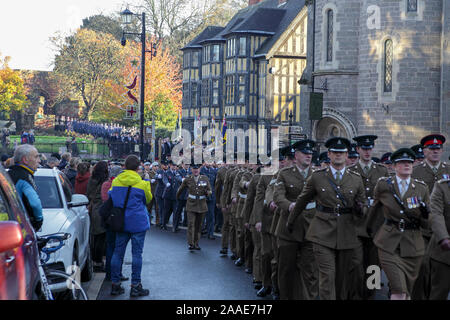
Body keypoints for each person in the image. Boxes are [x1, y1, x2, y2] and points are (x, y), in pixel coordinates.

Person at [287, 137, 367, 300]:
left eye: (342, 152)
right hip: (322, 233)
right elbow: (302, 201)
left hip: (346, 234)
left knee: (342, 279)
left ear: (346, 155)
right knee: (327, 276)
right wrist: (290, 221)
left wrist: (361, 209)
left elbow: (363, 206)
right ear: (329, 154)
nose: (338, 155)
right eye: (335, 152)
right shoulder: (317, 177)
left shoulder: (356, 179)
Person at [367, 148, 430, 300]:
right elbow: (374, 212)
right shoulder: (384, 185)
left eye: (409, 162)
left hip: (413, 246)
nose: (406, 165)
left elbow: (427, 224)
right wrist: (372, 234)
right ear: (394, 166)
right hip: (388, 244)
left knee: (406, 292)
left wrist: (425, 214)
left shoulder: (421, 188)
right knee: (399, 290)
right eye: (402, 163)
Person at [274, 140, 319, 300]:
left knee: (311, 271)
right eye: (305, 153)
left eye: (310, 153)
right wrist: (289, 205)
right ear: (296, 155)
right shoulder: (284, 174)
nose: (309, 155)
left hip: (311, 228)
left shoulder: (318, 175)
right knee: (286, 270)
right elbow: (278, 196)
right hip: (289, 228)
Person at [347, 135, 389, 300]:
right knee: (356, 264)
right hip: (356, 224)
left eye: (369, 148)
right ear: (358, 150)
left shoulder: (382, 170)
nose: (367, 152)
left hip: (376, 224)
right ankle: (357, 294)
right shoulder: (350, 171)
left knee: (374, 265)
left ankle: (371, 295)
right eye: (364, 149)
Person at [411, 134, 450, 300]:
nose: (435, 152)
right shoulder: (416, 170)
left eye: (438, 149)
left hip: (443, 230)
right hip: (423, 229)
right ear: (424, 151)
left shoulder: (448, 170)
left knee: (436, 273)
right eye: (432, 149)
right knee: (421, 270)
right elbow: (409, 196)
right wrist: (417, 208)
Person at [109, 155, 152, 297]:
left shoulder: (115, 182)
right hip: (137, 222)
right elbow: (148, 199)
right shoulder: (142, 183)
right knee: (137, 254)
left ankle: (115, 284)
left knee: (118, 252)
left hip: (120, 222)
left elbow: (111, 198)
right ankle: (135, 285)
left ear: (125, 166)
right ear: (138, 167)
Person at [176, 162, 212, 250]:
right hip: (191, 204)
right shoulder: (188, 179)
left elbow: (210, 190)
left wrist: (208, 193)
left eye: (197, 169)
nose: (196, 170)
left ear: (199, 170)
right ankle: (191, 243)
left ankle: (196, 243)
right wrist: (177, 198)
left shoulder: (205, 178)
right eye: (194, 169)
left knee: (199, 225)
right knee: (191, 224)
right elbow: (180, 189)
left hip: (201, 205)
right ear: (191, 170)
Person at [8, 144, 43, 231]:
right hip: (20, 227)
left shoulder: (9, 173)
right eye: (36, 157)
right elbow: (35, 203)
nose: (39, 161)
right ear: (25, 160)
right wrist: (38, 221)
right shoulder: (24, 177)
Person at [428, 175, 450, 299]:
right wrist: (443, 237)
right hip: (445, 253)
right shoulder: (442, 187)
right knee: (439, 292)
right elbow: (436, 213)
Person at [87, 161, 109, 272]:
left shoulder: (92, 179)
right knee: (101, 238)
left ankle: (94, 260)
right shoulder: (105, 180)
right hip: (101, 208)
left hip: (93, 208)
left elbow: (88, 193)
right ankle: (98, 262)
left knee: (95, 237)